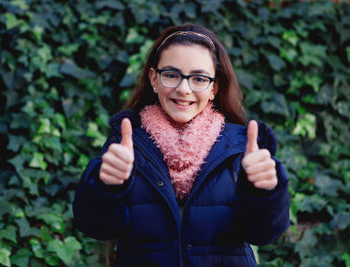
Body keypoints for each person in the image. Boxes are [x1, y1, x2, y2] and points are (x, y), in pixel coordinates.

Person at [73, 24, 290, 267]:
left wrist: (264, 192)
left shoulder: (242, 148)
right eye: (172, 75)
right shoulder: (125, 146)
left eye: (199, 78)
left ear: (213, 88)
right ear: (154, 79)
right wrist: (107, 187)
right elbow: (96, 227)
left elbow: (262, 234)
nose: (183, 89)